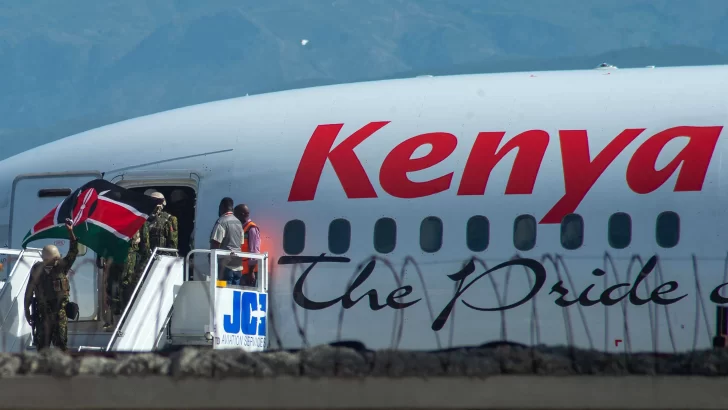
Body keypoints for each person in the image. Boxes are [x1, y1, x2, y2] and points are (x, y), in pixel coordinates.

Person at [24, 219, 77, 351]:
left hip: (60, 314)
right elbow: (29, 292)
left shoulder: (61, 267)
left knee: (61, 347)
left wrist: (71, 233)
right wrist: (27, 310)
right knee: (43, 348)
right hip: (43, 316)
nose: (57, 260)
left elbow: (73, 252)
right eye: (55, 258)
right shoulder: (37, 270)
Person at [137, 190, 178, 268]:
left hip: (161, 257)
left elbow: (172, 242)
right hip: (144, 257)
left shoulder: (169, 220)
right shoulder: (142, 218)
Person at [210, 197, 243, 284]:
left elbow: (215, 243)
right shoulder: (238, 223)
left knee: (223, 293)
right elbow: (241, 243)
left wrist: (211, 260)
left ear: (222, 207)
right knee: (235, 293)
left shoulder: (222, 221)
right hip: (237, 264)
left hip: (225, 266)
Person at [234, 204, 260, 288]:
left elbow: (254, 252)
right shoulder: (242, 228)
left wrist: (251, 272)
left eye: (235, 215)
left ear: (242, 214)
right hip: (240, 271)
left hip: (248, 273)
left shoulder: (251, 229)